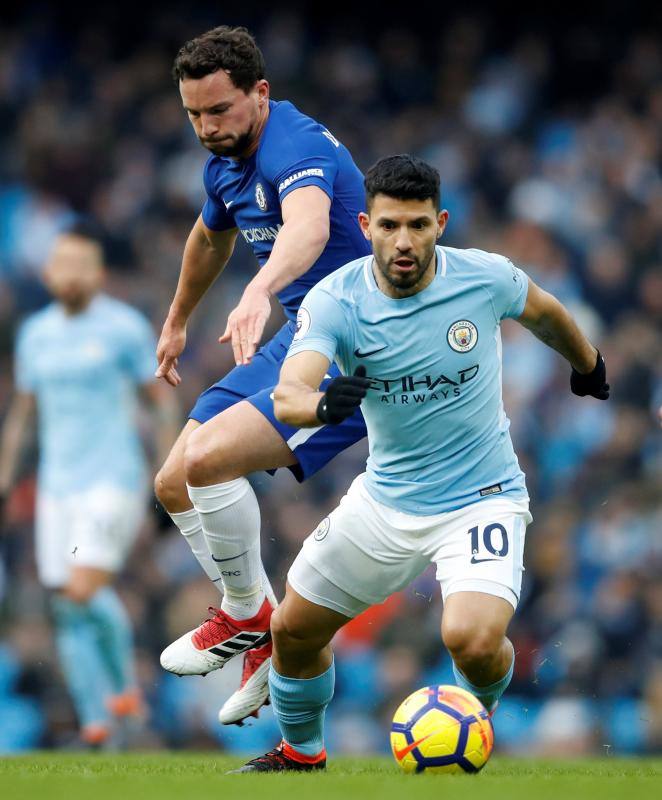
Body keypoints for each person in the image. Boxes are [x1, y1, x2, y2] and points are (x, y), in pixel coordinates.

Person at [232, 154, 610, 771]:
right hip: (385, 500)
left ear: (441, 223)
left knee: (472, 640)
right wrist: (323, 403)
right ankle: (301, 754)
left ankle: (473, 718)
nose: (403, 241)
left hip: (482, 494)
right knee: (293, 631)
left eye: (416, 225)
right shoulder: (338, 298)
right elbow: (288, 393)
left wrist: (588, 364)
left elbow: (544, 312)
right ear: (366, 224)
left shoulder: (485, 278)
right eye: (388, 226)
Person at [153, 26, 370, 724]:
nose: (207, 127)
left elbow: (306, 228)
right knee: (171, 480)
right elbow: (209, 236)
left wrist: (259, 289)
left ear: (261, 94)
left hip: (357, 341)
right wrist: (179, 317)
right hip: (304, 330)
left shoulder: (293, 144)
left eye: (219, 111)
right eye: (194, 114)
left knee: (209, 460)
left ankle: (248, 619)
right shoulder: (223, 161)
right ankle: (256, 624)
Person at [0, 223, 178, 747]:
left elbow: (160, 402)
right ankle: (98, 723)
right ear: (50, 272)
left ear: (98, 274)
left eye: (81, 265)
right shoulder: (36, 335)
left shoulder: (124, 328)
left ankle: (125, 691)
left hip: (113, 478)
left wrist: (165, 472)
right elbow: (23, 416)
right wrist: (7, 477)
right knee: (65, 603)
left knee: (82, 589)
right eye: (62, 264)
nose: (70, 273)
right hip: (57, 486)